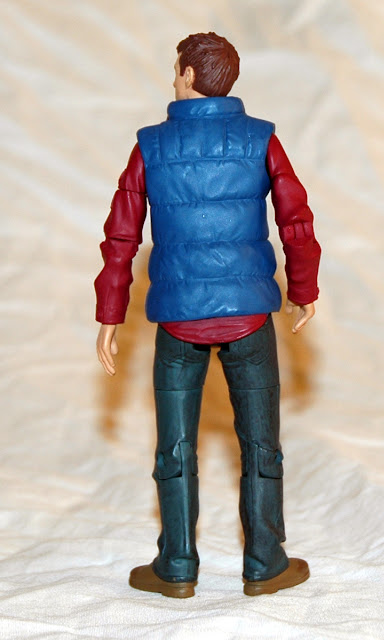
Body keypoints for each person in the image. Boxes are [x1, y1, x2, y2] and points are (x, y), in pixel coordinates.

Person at [95, 32, 321, 598]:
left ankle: (176, 564)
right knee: (261, 444)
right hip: (250, 316)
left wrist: (110, 313)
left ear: (190, 76)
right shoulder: (261, 139)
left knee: (174, 446)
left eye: (176, 69)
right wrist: (303, 288)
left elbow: (121, 236)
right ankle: (265, 561)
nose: (174, 78)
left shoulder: (150, 145)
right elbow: (296, 219)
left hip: (177, 317)